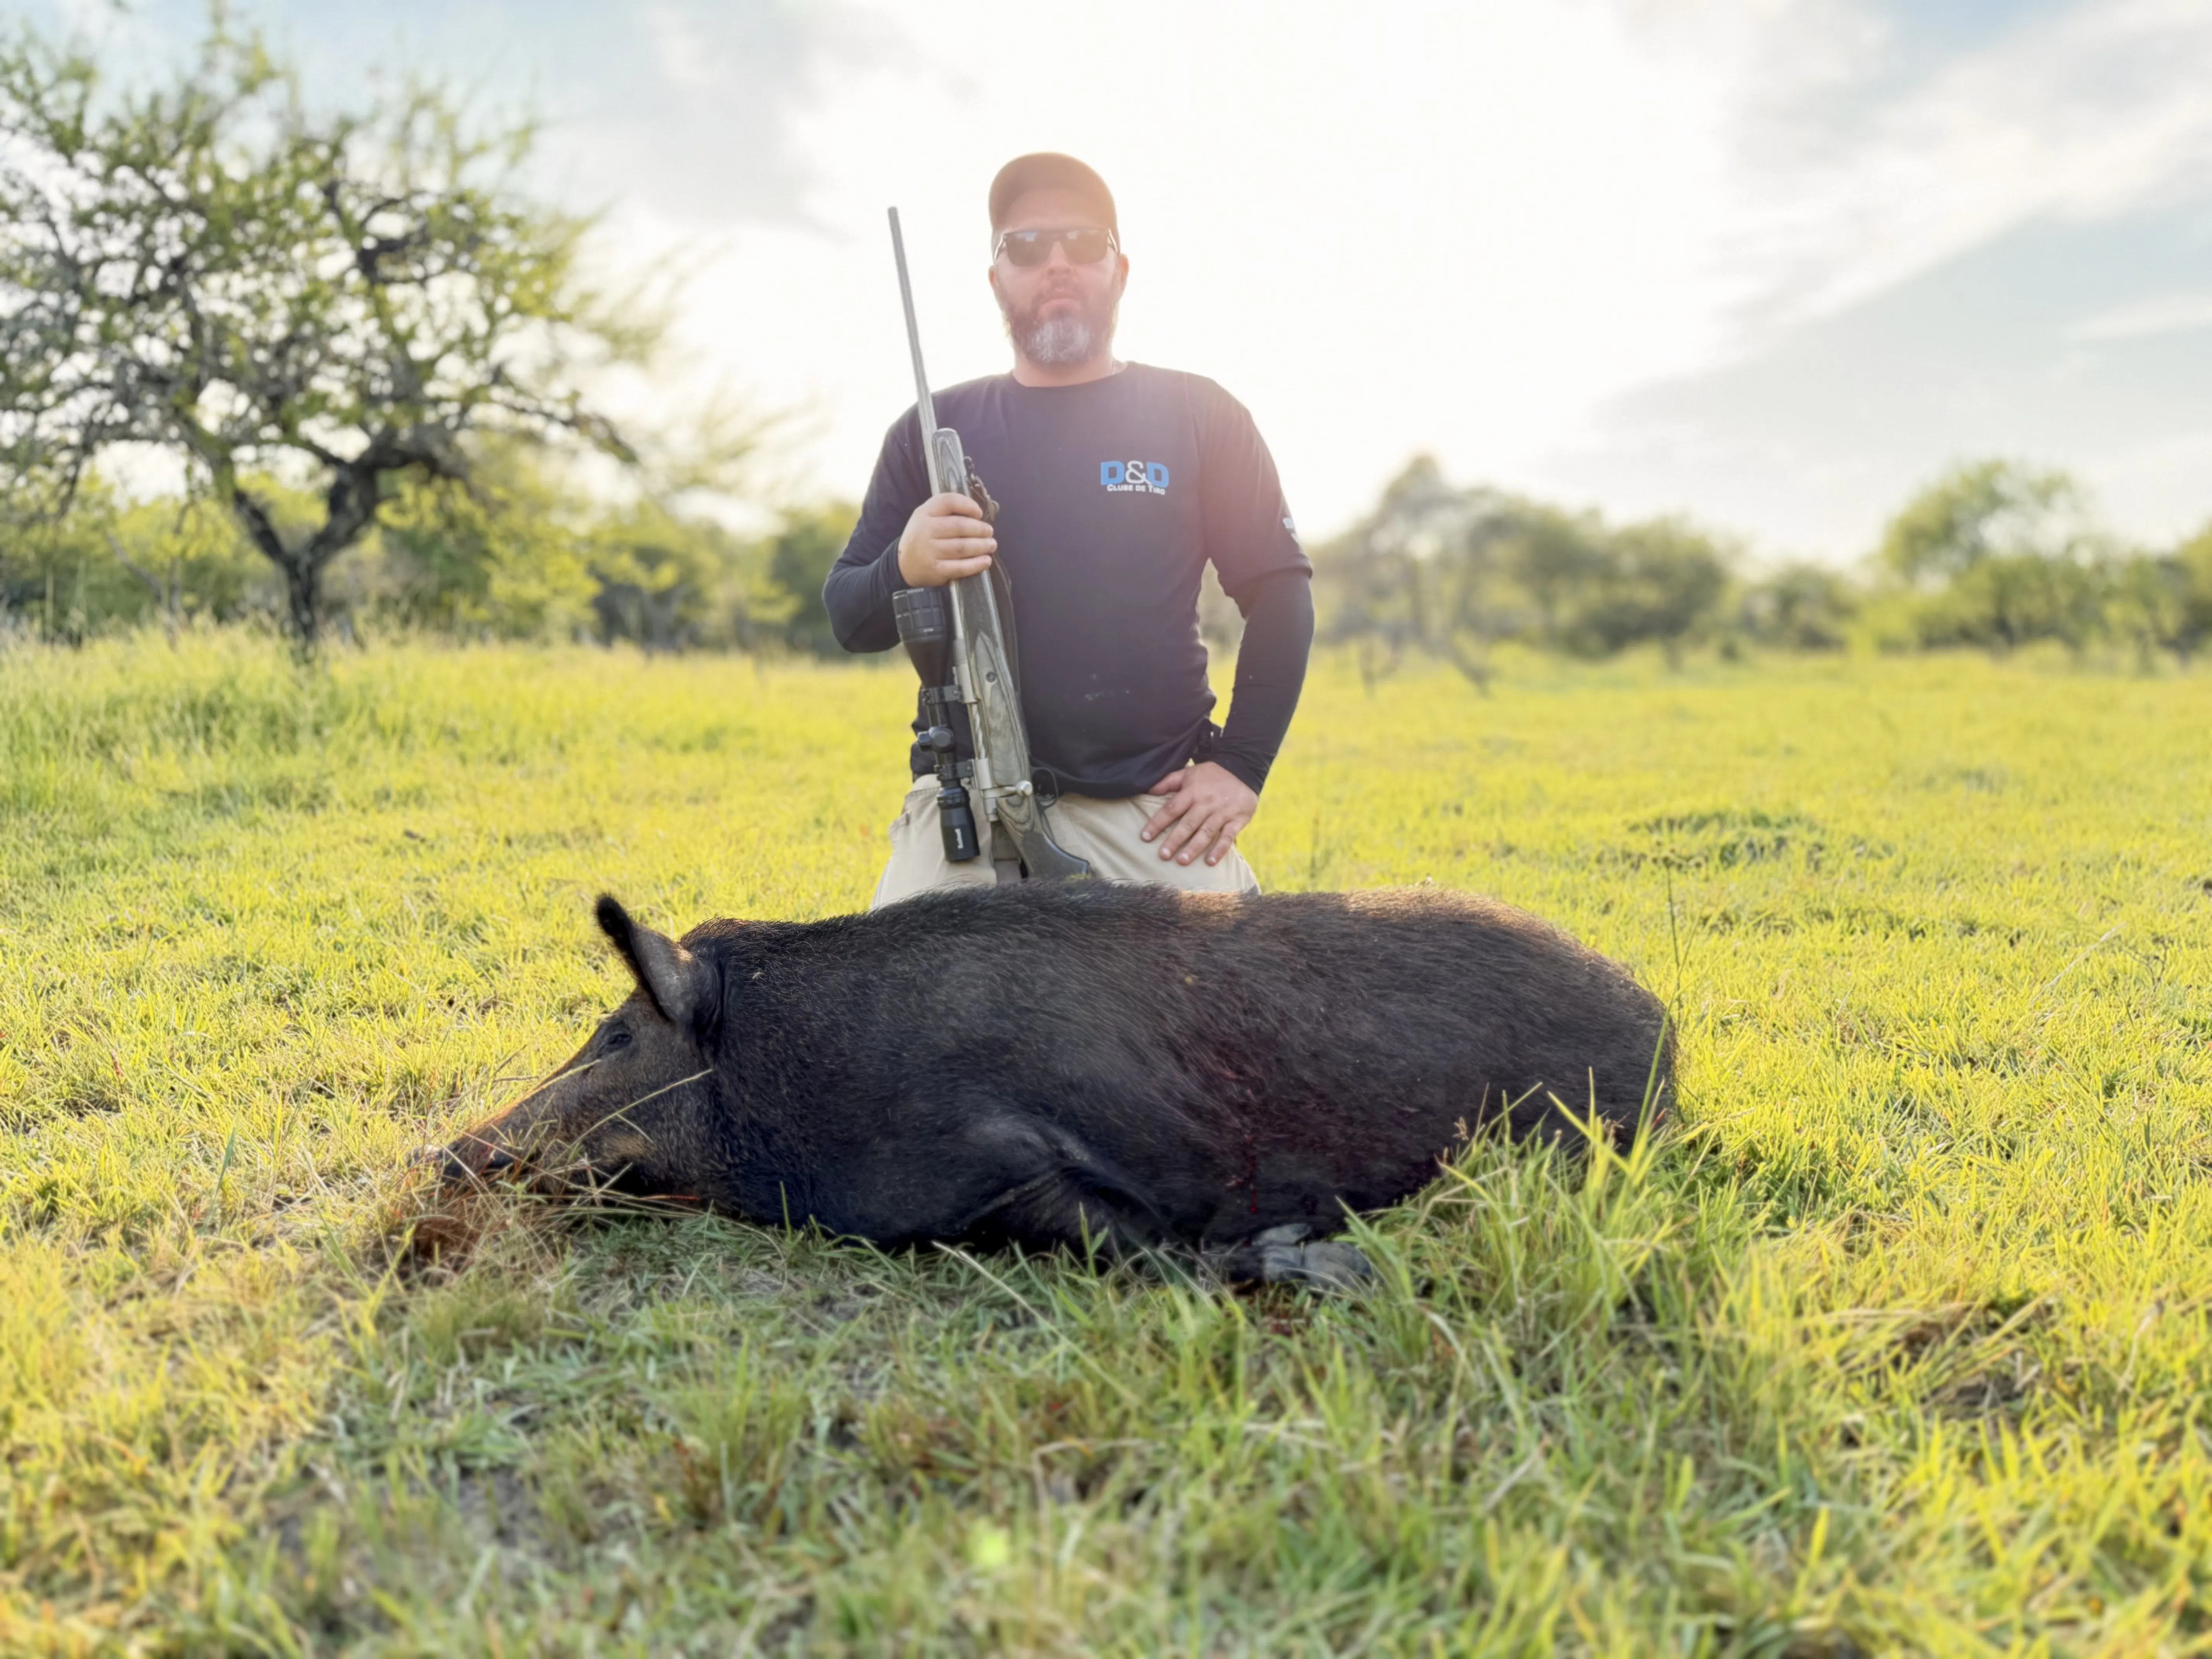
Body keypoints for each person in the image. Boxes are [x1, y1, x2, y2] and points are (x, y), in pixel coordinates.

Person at [825, 153, 1314, 908]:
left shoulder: (1200, 412)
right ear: (996, 280)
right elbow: (847, 615)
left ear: (1120, 270)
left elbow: (1281, 591)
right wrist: (905, 563)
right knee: (882, 1026)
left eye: (1084, 244)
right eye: (1025, 247)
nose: (1056, 263)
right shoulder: (928, 432)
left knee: (1231, 1019)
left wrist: (1241, 766)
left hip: (1151, 813)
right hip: (968, 807)